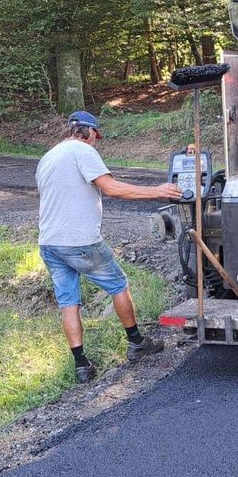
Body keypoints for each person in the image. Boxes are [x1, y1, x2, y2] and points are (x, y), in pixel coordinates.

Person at [37, 110, 183, 383]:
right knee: (118, 285)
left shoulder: (48, 157)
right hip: (79, 242)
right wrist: (159, 191)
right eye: (96, 136)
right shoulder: (82, 151)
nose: (96, 141)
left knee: (69, 303)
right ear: (87, 131)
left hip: (49, 243)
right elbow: (112, 188)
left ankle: (82, 366)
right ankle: (137, 343)